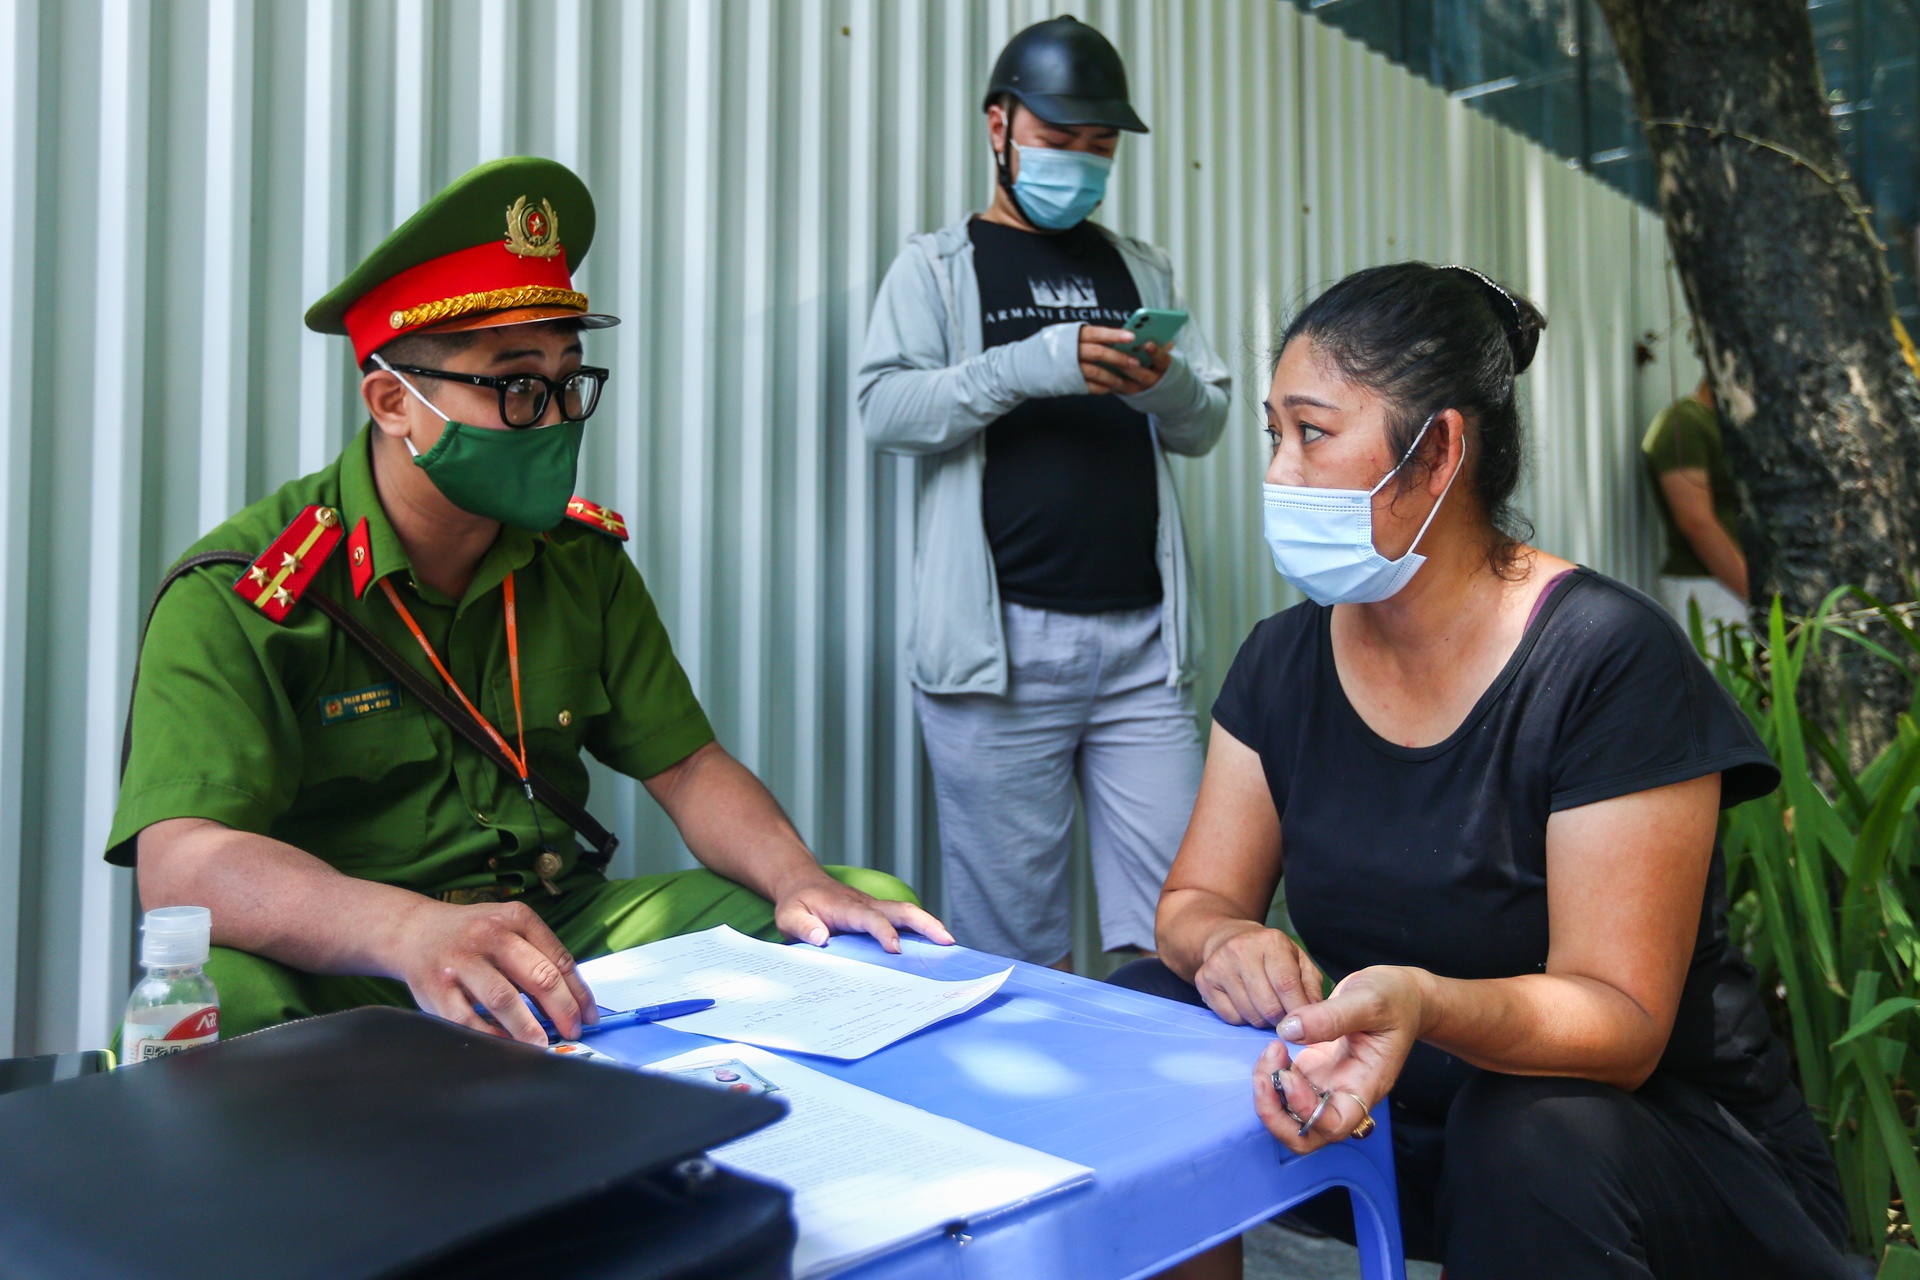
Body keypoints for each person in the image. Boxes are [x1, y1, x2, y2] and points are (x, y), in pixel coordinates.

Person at [1113, 263, 1852, 1278]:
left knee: (1524, 1130)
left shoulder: (1604, 659)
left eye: (1313, 433)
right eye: (1272, 435)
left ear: (1439, 451)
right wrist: (1225, 942)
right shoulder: (1283, 661)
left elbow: (1622, 1023)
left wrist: (1422, 1004)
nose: (1279, 473)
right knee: (1150, 1006)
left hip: (1637, 1146)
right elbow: (1192, 902)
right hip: (1392, 1101)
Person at [109, 157, 948, 1046]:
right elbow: (182, 861)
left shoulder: (576, 559)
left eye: (567, 382)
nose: (553, 420)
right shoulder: (245, 591)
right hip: (357, 958)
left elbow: (687, 766)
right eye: (515, 387)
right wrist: (407, 929)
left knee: (856, 917)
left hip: (551, 933)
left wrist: (795, 877)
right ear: (394, 402)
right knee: (222, 999)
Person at [859, 16, 1230, 970]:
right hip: (1000, 657)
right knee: (1016, 950)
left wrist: (1163, 384)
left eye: (1100, 145)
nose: (1082, 161)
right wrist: (1026, 365)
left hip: (1145, 652)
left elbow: (1204, 425)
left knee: (1181, 933)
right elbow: (885, 411)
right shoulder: (937, 265)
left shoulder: (1140, 266)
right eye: (1059, 138)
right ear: (999, 126)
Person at [1644, 376, 1749, 630]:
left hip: (1732, 585)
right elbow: (1696, 523)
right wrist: (1753, 591)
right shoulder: (1683, 424)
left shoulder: (1728, 424)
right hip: (1708, 586)